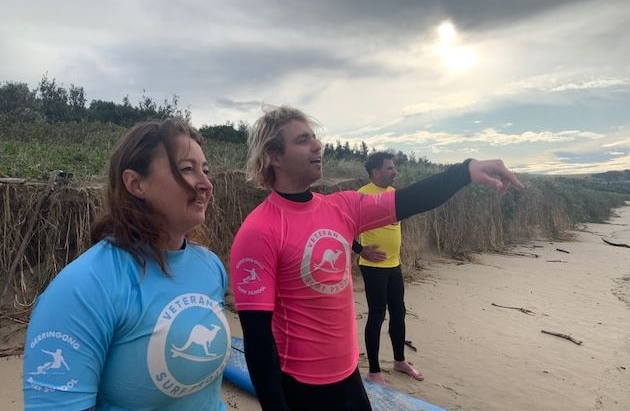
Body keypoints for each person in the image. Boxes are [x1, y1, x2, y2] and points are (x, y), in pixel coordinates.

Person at [229, 105, 524, 411]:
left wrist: (465, 171)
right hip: (301, 388)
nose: (318, 145)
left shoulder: (341, 207)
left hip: (349, 379)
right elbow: (258, 340)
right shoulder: (259, 230)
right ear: (274, 156)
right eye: (303, 140)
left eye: (315, 137)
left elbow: (409, 199)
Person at [23, 119, 230, 410]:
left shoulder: (211, 267)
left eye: (205, 171)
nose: (206, 184)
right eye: (187, 169)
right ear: (135, 183)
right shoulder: (83, 288)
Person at [353, 151, 422, 386]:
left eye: (394, 167)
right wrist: (361, 250)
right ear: (375, 171)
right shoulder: (361, 196)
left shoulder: (394, 194)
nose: (395, 171)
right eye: (390, 168)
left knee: (399, 312)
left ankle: (399, 361)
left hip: (394, 264)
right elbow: (343, 228)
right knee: (376, 315)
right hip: (373, 267)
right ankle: (373, 371)